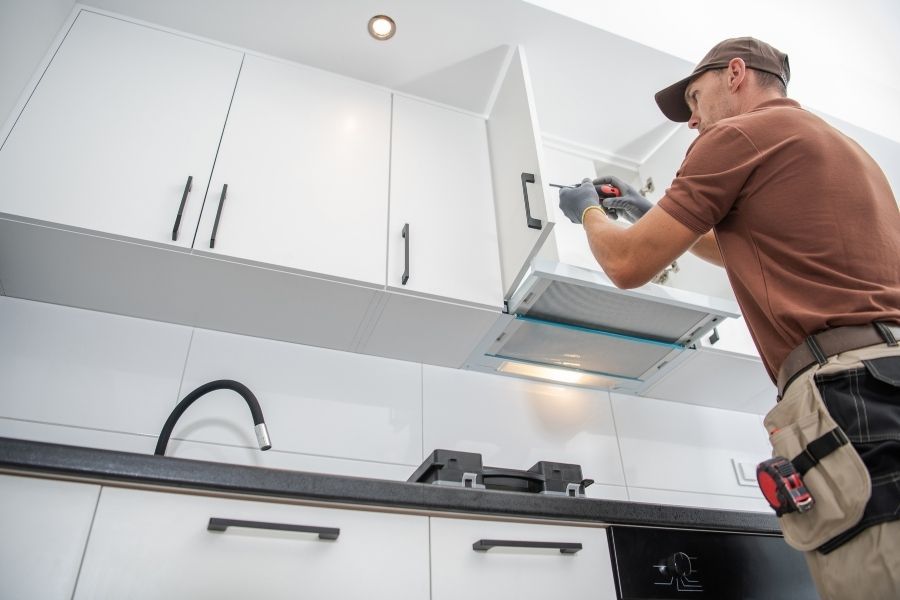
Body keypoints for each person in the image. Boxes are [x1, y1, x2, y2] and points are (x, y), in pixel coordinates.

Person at [559, 37, 900, 599]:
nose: (693, 120)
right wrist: (654, 214)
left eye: (695, 98)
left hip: (848, 393)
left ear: (736, 73)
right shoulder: (845, 149)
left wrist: (588, 212)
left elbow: (626, 263)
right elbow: (751, 246)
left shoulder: (736, 135)